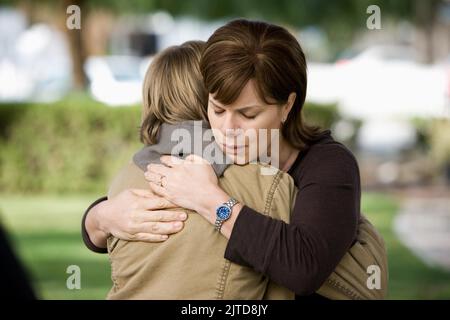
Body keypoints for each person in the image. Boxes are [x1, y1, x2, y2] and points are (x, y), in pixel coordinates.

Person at [83, 19, 388, 299]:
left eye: (248, 114)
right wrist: (101, 217)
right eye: (216, 110)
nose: (227, 129)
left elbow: (303, 268)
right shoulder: (213, 152)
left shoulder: (328, 165)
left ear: (287, 106)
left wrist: (211, 200)